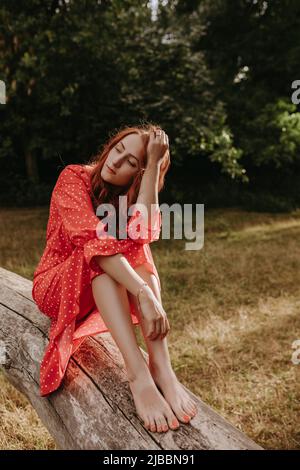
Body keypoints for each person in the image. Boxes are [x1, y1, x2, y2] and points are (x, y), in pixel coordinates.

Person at [32, 124, 197, 433]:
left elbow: (147, 232)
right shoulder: (73, 177)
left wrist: (153, 170)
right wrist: (144, 292)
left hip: (99, 286)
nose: (116, 161)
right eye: (117, 150)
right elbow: (91, 240)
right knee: (97, 255)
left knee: (138, 246)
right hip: (55, 285)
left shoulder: (128, 196)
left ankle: (161, 366)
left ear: (138, 174)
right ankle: (137, 374)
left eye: (131, 163)